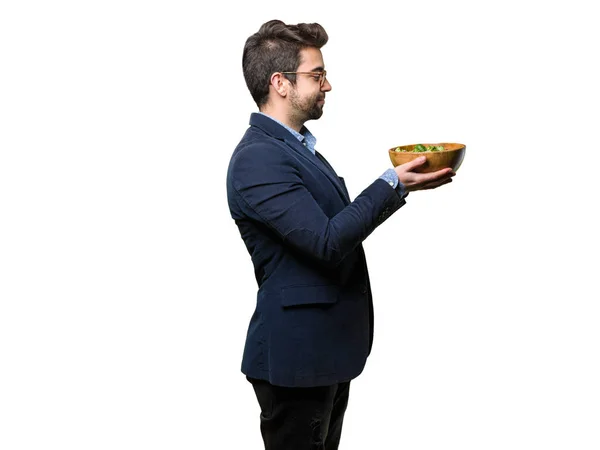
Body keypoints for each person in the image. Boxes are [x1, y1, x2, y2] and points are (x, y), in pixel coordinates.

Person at [226, 19, 455, 450]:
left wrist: (397, 187)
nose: (327, 85)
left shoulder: (295, 149)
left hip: (323, 352)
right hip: (296, 360)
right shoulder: (258, 159)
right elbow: (327, 242)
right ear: (280, 83)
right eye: (316, 75)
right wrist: (393, 184)